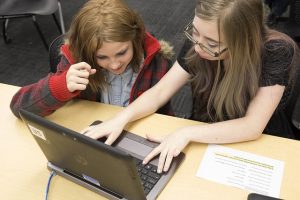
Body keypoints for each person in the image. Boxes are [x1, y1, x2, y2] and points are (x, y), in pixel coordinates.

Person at [82, 0, 300, 173]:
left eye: (212, 44)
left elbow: (252, 126)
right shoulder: (201, 41)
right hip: (207, 129)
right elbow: (160, 91)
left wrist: (186, 133)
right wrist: (120, 119)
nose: (197, 47)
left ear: (244, 40)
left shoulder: (275, 51)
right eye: (195, 32)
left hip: (261, 142)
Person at [10, 0, 175, 118]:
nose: (115, 64)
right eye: (101, 57)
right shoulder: (76, 60)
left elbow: (166, 117)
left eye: (121, 53)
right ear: (87, 52)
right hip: (92, 133)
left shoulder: (157, 62)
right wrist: (59, 86)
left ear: (136, 39)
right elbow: (18, 107)